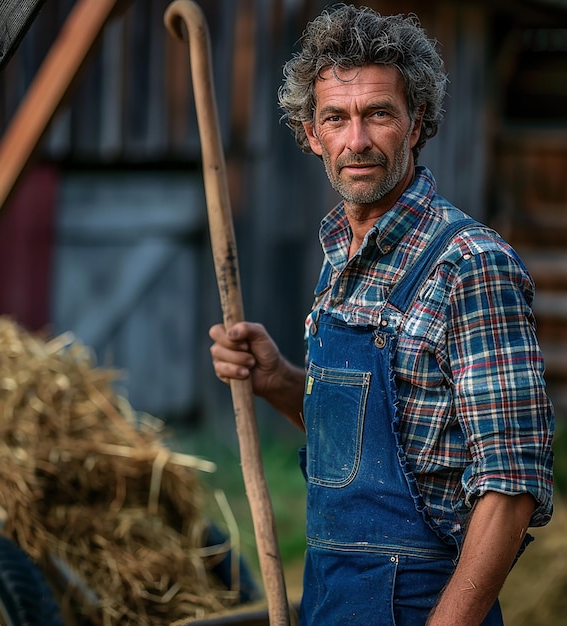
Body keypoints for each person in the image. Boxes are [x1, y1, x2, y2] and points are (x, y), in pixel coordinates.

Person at [209, 4, 554, 625]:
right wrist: (280, 381)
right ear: (311, 135)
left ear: (417, 122)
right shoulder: (341, 259)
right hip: (330, 595)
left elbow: (511, 485)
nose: (357, 141)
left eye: (379, 114)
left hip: (422, 602)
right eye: (336, 118)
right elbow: (371, 447)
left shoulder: (469, 265)